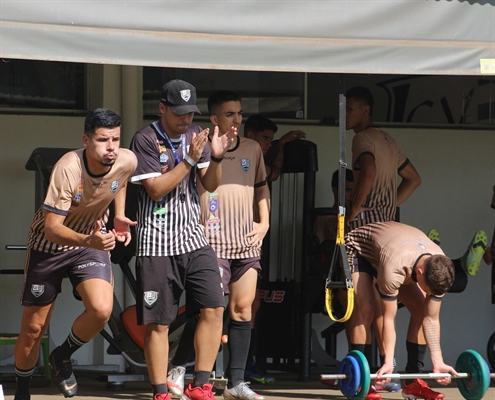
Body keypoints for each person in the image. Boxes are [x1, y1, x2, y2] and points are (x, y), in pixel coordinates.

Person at [13, 108, 138, 400]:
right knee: (34, 328)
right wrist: (90, 240)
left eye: (116, 139)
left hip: (88, 243)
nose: (111, 147)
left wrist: (119, 215)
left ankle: (62, 356)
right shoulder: (68, 168)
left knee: (102, 310)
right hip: (49, 245)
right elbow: (53, 227)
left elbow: (121, 179)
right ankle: (21, 391)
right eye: (103, 140)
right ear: (86, 139)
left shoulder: (126, 159)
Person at [129, 79, 237, 400]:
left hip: (194, 238)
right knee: (159, 323)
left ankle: (200, 383)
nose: (186, 120)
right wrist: (189, 160)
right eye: (179, 113)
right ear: (162, 108)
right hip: (157, 243)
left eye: (190, 113)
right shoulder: (145, 139)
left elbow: (210, 185)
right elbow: (156, 189)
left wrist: (216, 158)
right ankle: (160, 391)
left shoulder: (195, 136)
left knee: (215, 308)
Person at [167, 90, 270, 400]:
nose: (236, 119)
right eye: (229, 114)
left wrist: (264, 223)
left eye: (239, 113)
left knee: (242, 310)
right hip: (211, 241)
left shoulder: (252, 148)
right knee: (207, 311)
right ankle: (180, 368)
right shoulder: (201, 144)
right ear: (213, 119)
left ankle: (235, 383)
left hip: (247, 243)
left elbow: (262, 189)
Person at [344, 86, 422, 398]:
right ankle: (382, 374)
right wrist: (388, 207)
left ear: (366, 110)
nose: (346, 115)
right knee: (381, 306)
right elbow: (414, 179)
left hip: (363, 232)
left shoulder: (362, 139)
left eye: (350, 109)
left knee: (360, 306)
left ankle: (359, 376)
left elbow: (370, 171)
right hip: (388, 229)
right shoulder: (388, 139)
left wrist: (356, 209)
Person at [345, 221, 457, 400]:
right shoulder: (395, 268)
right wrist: (389, 362)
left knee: (422, 311)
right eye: (427, 290)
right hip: (360, 250)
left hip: (396, 252)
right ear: (420, 272)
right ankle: (360, 382)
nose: (429, 295)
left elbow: (431, 318)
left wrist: (438, 362)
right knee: (367, 309)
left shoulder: (441, 266)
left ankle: (413, 383)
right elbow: (389, 318)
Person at [244, 114, 306, 182]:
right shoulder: (235, 156)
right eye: (265, 138)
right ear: (250, 135)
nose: (269, 144)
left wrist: (282, 142)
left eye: (270, 140)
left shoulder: (257, 163)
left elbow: (274, 174)